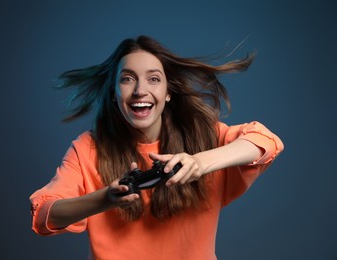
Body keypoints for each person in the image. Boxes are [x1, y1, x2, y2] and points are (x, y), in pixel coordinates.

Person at [29, 35, 284, 260]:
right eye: (128, 79)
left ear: (168, 91)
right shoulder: (88, 148)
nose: (141, 90)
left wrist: (201, 162)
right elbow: (44, 215)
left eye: (153, 79)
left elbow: (267, 142)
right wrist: (104, 199)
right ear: (113, 94)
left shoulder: (204, 136)